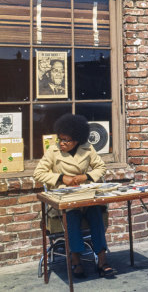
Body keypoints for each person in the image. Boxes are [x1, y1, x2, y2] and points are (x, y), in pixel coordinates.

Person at [33, 114, 116, 279]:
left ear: (77, 140)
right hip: (64, 197)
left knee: (96, 214)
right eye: (60, 139)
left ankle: (102, 260)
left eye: (66, 140)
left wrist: (87, 177)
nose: (62, 143)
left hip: (85, 193)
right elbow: (38, 173)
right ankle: (76, 259)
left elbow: (101, 167)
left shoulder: (87, 148)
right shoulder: (53, 150)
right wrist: (61, 178)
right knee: (71, 216)